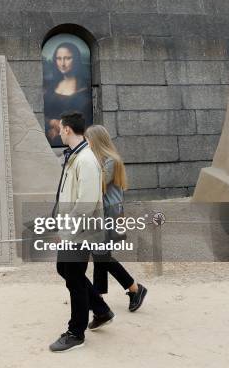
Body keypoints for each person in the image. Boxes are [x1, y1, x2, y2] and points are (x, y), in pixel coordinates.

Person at [49, 111, 114, 353]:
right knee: (63, 269)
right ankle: (101, 309)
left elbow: (85, 204)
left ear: (67, 129)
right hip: (72, 230)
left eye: (60, 129)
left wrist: (66, 228)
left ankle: (76, 333)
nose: (59, 133)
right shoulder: (75, 157)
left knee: (74, 279)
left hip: (80, 232)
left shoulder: (85, 160)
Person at [85, 125, 148, 316]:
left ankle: (135, 288)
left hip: (109, 214)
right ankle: (99, 297)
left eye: (88, 139)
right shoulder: (100, 159)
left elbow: (98, 185)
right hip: (102, 214)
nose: (85, 143)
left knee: (101, 255)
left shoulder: (111, 160)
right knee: (100, 256)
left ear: (96, 140)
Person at [44, 42, 93, 147]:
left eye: (67, 58)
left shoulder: (84, 88)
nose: (62, 63)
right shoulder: (50, 86)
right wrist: (52, 123)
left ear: (75, 60)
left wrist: (61, 130)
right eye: (58, 58)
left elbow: (85, 121)